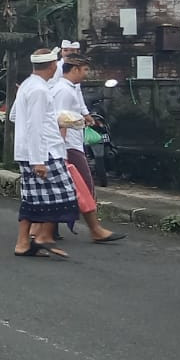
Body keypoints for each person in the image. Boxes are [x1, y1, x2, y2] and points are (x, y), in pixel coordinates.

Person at [9, 47, 78, 259]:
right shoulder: (39, 90)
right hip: (44, 152)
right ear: (52, 65)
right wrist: (38, 161)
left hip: (28, 151)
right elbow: (35, 126)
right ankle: (44, 237)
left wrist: (52, 119)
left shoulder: (28, 85)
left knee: (32, 199)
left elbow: (14, 116)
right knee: (66, 195)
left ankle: (23, 243)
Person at [51, 56, 125, 245]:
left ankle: (49, 228)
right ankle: (95, 229)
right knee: (85, 186)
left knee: (66, 187)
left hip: (72, 142)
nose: (86, 74)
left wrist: (86, 117)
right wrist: (61, 148)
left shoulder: (70, 88)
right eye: (84, 70)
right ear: (74, 69)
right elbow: (60, 120)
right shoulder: (63, 90)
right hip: (68, 145)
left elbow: (76, 110)